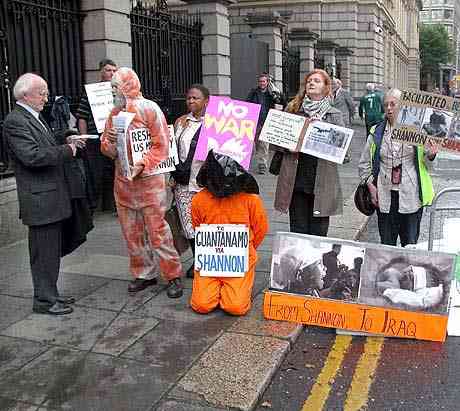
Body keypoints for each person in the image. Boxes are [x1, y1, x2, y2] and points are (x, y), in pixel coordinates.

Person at [3, 73, 84, 315]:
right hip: (40, 201)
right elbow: (32, 156)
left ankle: (51, 293)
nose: (46, 98)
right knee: (43, 254)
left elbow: (45, 142)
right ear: (25, 95)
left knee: (50, 253)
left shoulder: (33, 116)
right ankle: (44, 301)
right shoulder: (15, 121)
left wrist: (66, 136)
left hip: (50, 197)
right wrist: (68, 150)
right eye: (42, 93)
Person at [101, 67, 184, 298]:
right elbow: (107, 151)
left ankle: (172, 275)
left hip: (149, 183)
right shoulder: (114, 114)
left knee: (158, 230)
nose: (113, 92)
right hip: (124, 184)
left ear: (127, 86)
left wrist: (143, 164)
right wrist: (108, 142)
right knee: (132, 232)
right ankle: (144, 274)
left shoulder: (149, 109)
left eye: (116, 87)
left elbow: (162, 145)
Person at [190, 150, 268, 316]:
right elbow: (198, 227)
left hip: (239, 259)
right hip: (210, 260)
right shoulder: (199, 200)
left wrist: (246, 249)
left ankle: (233, 288)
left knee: (236, 307)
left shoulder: (251, 200)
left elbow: (261, 228)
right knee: (201, 305)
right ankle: (221, 289)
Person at [358, 88, 438, 247]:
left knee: (410, 246)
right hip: (385, 197)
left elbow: (429, 166)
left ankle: (409, 272)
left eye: (393, 104)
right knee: (387, 245)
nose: (388, 108)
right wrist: (370, 185)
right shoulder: (376, 131)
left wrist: (431, 155)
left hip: (411, 197)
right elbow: (364, 164)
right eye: (386, 104)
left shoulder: (418, 131)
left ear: (403, 106)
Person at [274, 69, 344, 236]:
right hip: (296, 179)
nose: (311, 83)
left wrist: (323, 131)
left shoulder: (334, 115)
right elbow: (276, 142)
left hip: (322, 182)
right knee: (298, 232)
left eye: (317, 81)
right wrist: (288, 146)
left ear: (326, 87)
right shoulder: (292, 109)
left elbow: (343, 151)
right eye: (309, 81)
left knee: (318, 233)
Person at [170, 84, 209, 278]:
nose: (191, 101)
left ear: (206, 101)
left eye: (196, 98)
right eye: (189, 98)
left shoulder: (217, 123)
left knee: (206, 225)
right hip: (183, 183)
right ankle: (198, 260)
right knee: (189, 226)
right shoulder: (180, 121)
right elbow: (171, 149)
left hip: (205, 184)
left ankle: (209, 260)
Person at [77, 59, 118, 212]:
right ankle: (91, 208)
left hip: (114, 139)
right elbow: (82, 116)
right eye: (108, 70)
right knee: (95, 174)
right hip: (95, 140)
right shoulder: (91, 92)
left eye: (114, 71)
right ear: (101, 71)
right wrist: (84, 137)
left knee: (115, 172)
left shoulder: (118, 92)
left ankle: (114, 206)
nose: (112, 73)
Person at [246, 72, 285, 175]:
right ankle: (247, 162)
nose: (262, 83)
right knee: (253, 144)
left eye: (264, 81)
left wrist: (277, 93)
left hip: (266, 121)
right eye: (260, 81)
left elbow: (282, 102)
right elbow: (247, 104)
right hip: (254, 121)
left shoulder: (272, 94)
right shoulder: (254, 92)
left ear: (267, 82)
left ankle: (262, 164)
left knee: (264, 144)